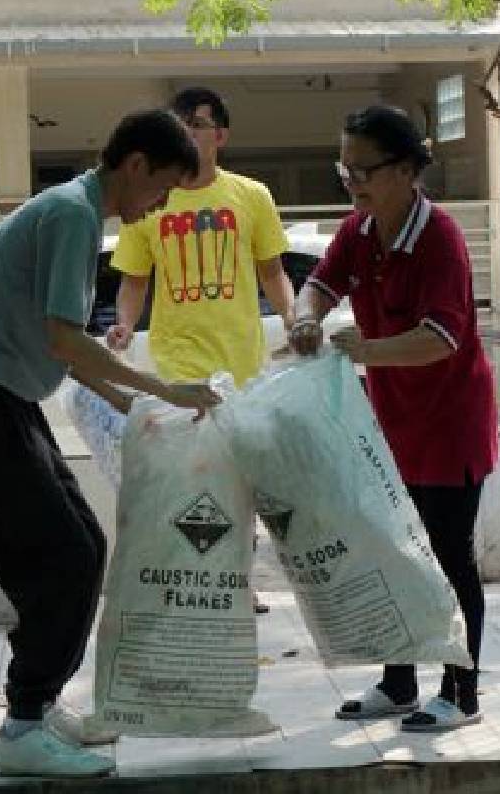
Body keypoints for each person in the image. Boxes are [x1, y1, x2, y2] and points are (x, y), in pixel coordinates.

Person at [0, 108, 219, 778]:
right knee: (63, 556)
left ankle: (39, 705)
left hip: (0, 398)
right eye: (164, 188)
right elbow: (66, 339)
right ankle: (22, 727)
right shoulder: (71, 216)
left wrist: (145, 409)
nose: (160, 205)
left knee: (80, 547)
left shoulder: (75, 212)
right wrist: (166, 391)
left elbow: (73, 355)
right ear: (136, 165)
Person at [288, 104, 497, 732]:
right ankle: (399, 683)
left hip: (449, 422)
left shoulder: (441, 238)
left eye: (365, 171)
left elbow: (441, 337)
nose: (352, 182)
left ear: (407, 170)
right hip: (389, 426)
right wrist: (306, 317)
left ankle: (461, 692)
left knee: (446, 555)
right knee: (391, 551)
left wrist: (366, 350)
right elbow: (320, 284)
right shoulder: (360, 229)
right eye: (344, 169)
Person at [106, 86, 296, 614]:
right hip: (177, 360)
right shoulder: (154, 200)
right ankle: (198, 573)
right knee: (193, 470)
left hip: (239, 358)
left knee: (240, 473)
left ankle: (238, 575)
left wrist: (293, 318)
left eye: (198, 122)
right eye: (181, 122)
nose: (188, 130)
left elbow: (272, 271)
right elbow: (134, 279)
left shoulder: (250, 196)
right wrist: (123, 324)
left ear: (221, 134)